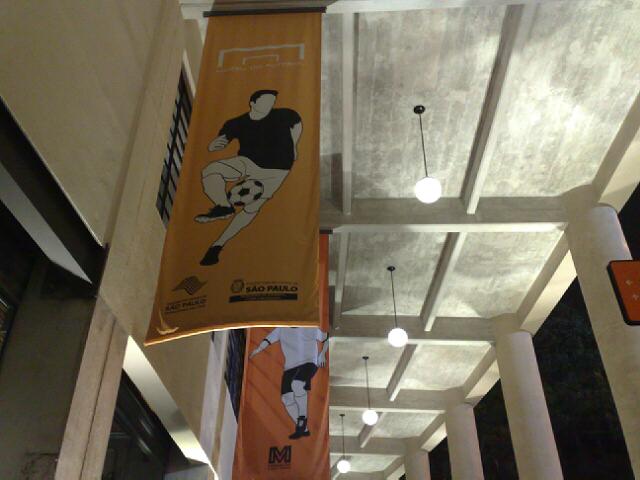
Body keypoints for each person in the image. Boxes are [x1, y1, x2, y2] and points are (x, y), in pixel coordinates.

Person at [195, 90, 303, 266]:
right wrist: (214, 145)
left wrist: (294, 145)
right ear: (252, 103)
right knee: (211, 170)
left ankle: (217, 245)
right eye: (265, 101)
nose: (269, 105)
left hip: (277, 170)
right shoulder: (237, 123)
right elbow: (222, 139)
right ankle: (223, 206)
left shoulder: (284, 115)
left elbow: (297, 123)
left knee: (251, 209)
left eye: (272, 102)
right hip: (247, 161)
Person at [249, 327, 329, 440]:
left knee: (297, 384)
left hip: (309, 362)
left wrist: (322, 354)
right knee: (286, 398)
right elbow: (268, 340)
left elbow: (327, 338)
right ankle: (303, 429)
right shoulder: (281, 329)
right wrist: (258, 350)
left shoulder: (310, 327)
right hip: (290, 367)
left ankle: (302, 417)